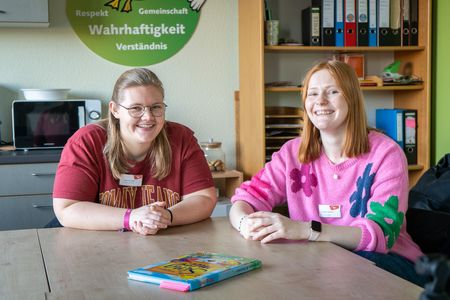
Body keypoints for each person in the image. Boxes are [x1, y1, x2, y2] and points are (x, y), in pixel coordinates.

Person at [229, 60, 426, 286]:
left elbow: (381, 235)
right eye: (312, 94)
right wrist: (245, 223)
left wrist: (306, 230)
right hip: (322, 263)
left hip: (390, 264)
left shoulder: (386, 154)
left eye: (332, 92)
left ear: (351, 98)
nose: (320, 101)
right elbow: (245, 199)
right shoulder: (292, 153)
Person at [53, 68, 217, 235]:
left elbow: (204, 198)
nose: (148, 117)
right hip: (99, 248)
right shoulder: (86, 142)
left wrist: (165, 216)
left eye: (156, 107)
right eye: (136, 108)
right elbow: (67, 209)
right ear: (115, 109)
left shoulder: (181, 138)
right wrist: (131, 218)